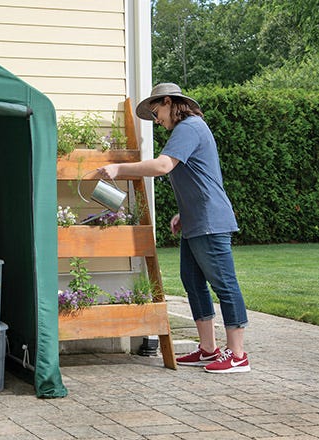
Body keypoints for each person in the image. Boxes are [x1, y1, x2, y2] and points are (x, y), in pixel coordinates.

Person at [97, 83, 250, 373]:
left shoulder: (189, 126)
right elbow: (200, 175)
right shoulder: (188, 130)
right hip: (196, 220)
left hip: (210, 221)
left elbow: (163, 166)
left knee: (224, 284)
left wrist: (119, 169)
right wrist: (183, 212)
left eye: (157, 113)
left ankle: (238, 355)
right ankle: (208, 349)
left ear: (170, 102)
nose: (157, 120)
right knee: (192, 281)